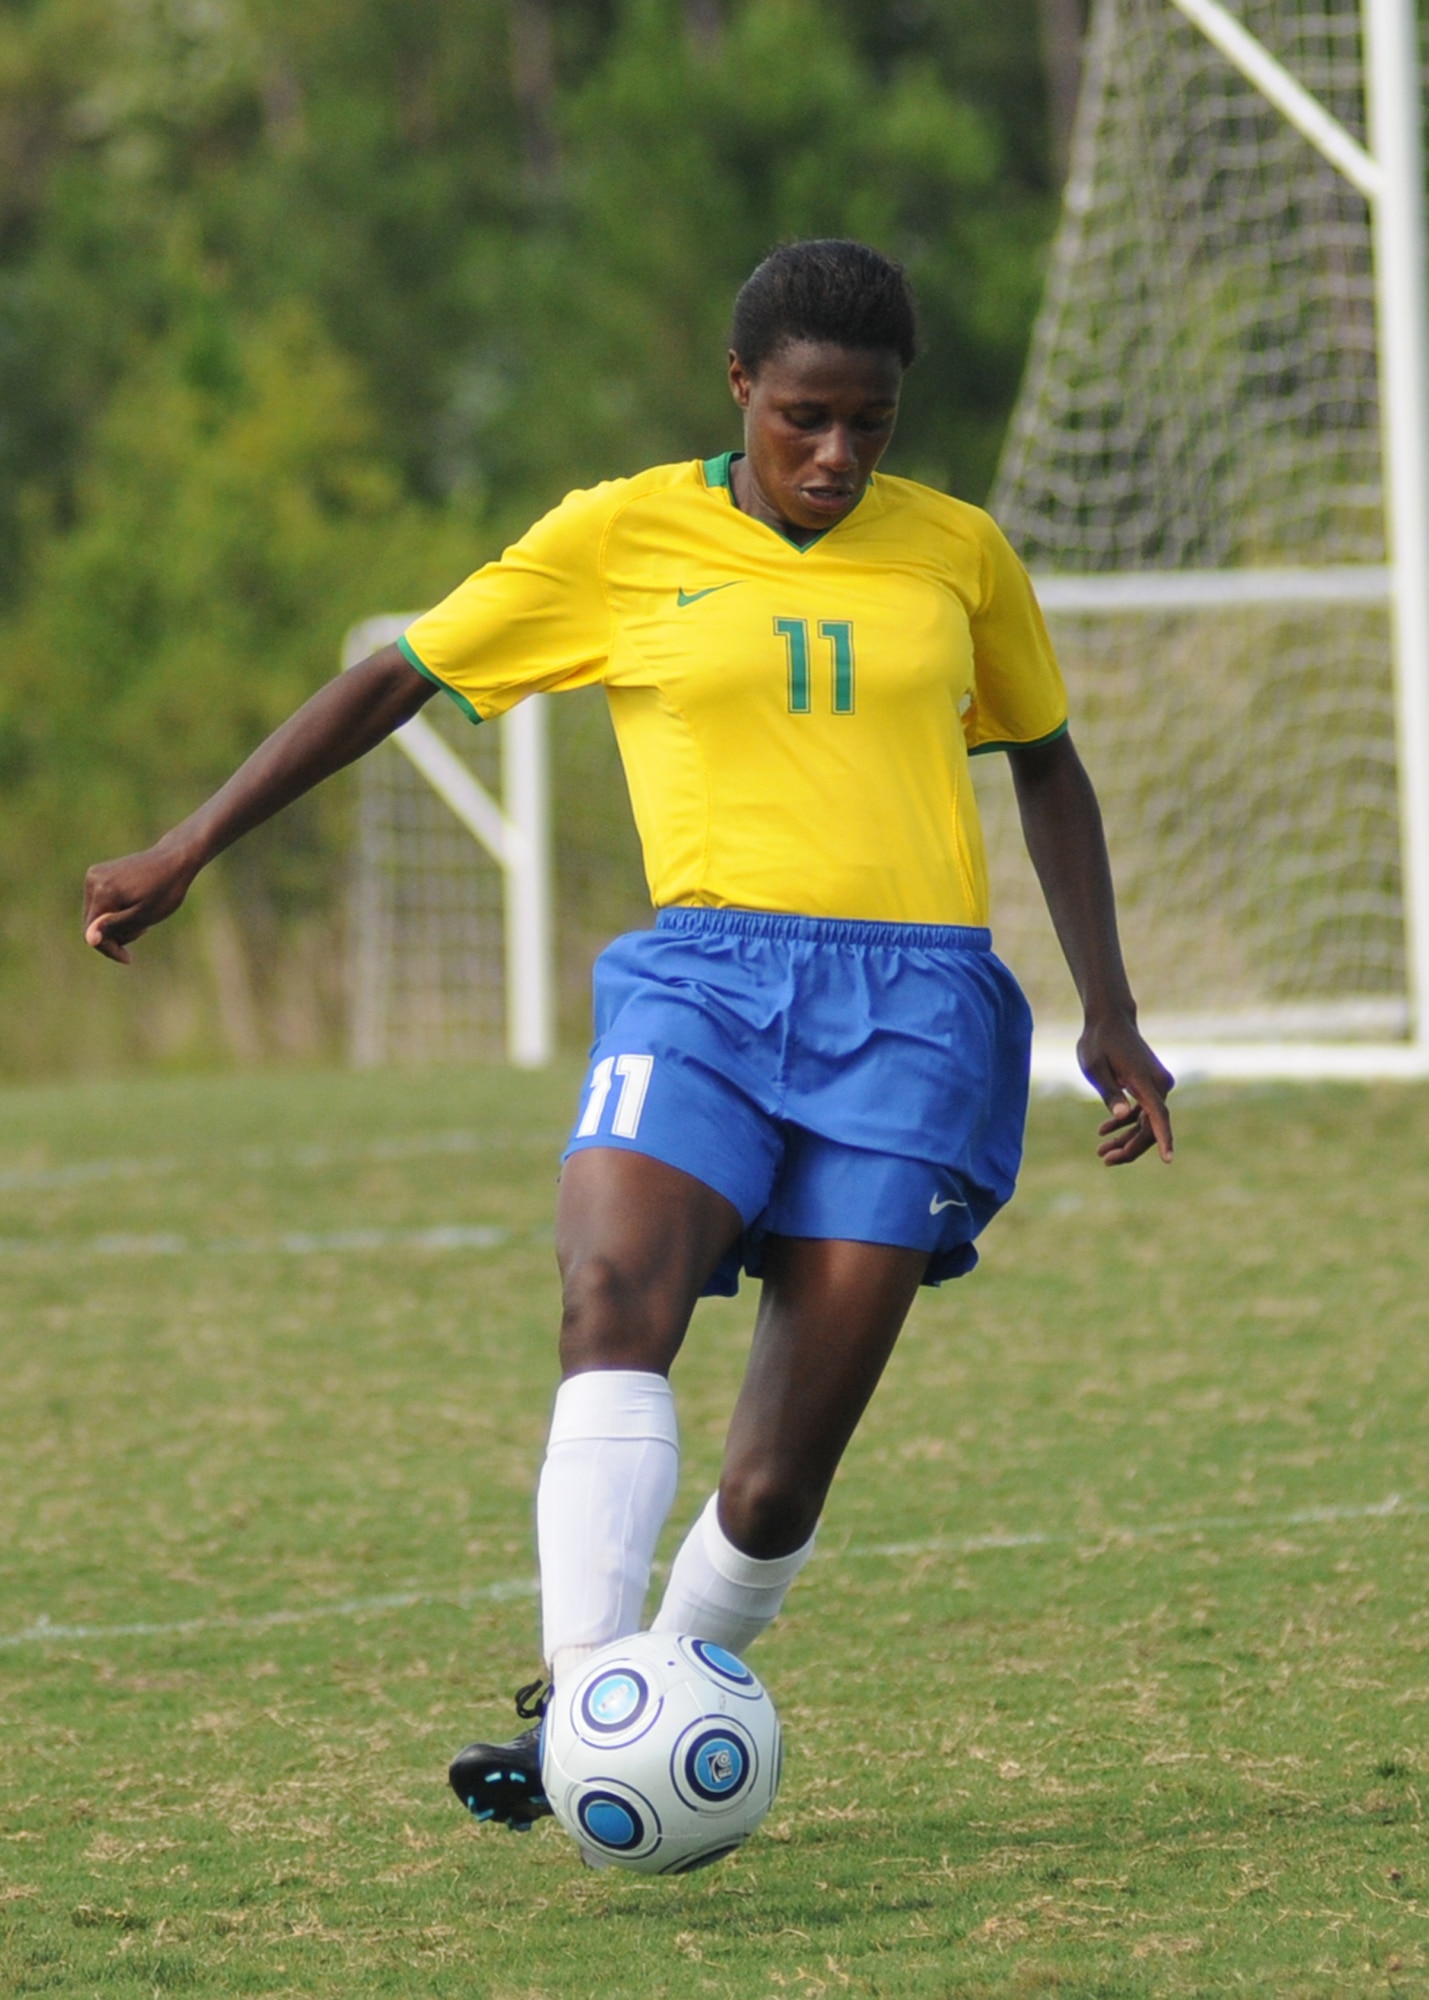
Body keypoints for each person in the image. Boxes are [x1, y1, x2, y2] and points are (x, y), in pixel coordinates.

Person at [83, 239, 1173, 1845]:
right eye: (804, 416)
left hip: (914, 1006)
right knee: (610, 1293)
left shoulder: (959, 554)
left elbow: (1045, 764)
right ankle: (584, 1698)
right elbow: (396, 679)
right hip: (704, 983)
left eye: (869, 423)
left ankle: (660, 1691)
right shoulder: (617, 533)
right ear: (739, 388)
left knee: (771, 1487)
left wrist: (1113, 1012)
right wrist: (189, 847)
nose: (835, 457)